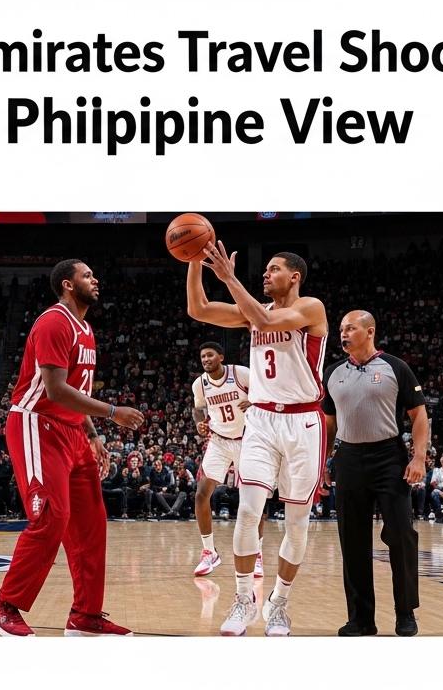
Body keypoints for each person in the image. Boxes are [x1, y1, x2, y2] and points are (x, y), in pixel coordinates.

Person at [0, 259, 143, 637]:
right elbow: (54, 391)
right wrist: (112, 413)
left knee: (90, 525)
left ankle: (85, 615)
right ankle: (3, 604)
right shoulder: (53, 321)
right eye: (88, 275)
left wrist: (91, 434)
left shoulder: (85, 329)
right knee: (51, 516)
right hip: (37, 423)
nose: (96, 278)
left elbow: (77, 392)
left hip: (72, 432)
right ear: (68, 285)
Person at [186, 243, 328, 637]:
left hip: (304, 423)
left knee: (296, 524)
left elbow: (267, 323)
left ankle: (279, 603)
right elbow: (198, 309)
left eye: (273, 269)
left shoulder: (311, 308)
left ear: (294, 277)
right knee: (248, 512)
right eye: (264, 270)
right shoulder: (254, 312)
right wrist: (194, 260)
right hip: (261, 421)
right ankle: (244, 599)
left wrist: (229, 278)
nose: (265, 274)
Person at [323, 310, 430, 638]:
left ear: (369, 331)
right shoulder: (332, 372)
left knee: (401, 535)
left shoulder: (396, 367)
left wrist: (419, 458)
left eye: (350, 328)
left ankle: (405, 612)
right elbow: (329, 423)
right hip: (348, 458)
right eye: (341, 329)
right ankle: (361, 619)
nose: (343, 333)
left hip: (389, 458)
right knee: (352, 541)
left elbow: (419, 415)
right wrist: (324, 462)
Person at [188, 342, 264, 577]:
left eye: (210, 355)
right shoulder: (200, 383)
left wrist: (253, 401)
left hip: (246, 439)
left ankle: (257, 555)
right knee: (201, 494)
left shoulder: (241, 373)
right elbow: (198, 408)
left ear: (221, 356)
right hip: (219, 440)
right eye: (202, 356)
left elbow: (266, 392)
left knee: (252, 501)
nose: (206, 359)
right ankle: (209, 553)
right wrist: (199, 421)